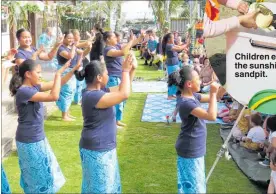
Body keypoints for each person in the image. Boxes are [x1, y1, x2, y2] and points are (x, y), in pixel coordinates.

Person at [9, 57, 82, 193]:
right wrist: (58, 74)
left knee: (46, 175)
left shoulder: (34, 87)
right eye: (38, 72)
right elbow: (53, 96)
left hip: (37, 138)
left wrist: (72, 70)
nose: (41, 75)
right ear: (28, 74)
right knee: (38, 179)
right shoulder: (25, 91)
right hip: (30, 140)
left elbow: (59, 83)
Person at [78, 55, 135, 193]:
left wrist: (131, 70)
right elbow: (124, 94)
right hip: (97, 149)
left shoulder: (98, 92)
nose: (108, 76)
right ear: (99, 77)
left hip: (102, 147)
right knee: (100, 188)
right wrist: (125, 71)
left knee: (105, 186)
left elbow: (122, 88)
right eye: (107, 74)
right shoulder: (93, 96)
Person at [168, 66, 219, 193]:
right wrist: (212, 93)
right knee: (194, 188)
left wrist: (225, 86)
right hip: (190, 148)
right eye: (198, 79)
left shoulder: (192, 96)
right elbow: (211, 116)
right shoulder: (186, 103)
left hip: (191, 146)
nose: (201, 81)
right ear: (189, 84)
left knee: (192, 186)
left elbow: (216, 98)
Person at [103, 31, 144, 127]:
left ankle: (117, 121)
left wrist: (140, 37)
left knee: (121, 100)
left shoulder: (116, 46)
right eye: (114, 37)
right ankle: (112, 122)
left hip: (120, 76)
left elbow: (133, 43)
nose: (116, 39)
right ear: (108, 39)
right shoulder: (108, 49)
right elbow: (123, 52)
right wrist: (131, 41)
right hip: (113, 78)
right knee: (115, 101)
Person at [56, 31, 92, 121]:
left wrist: (89, 48)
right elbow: (70, 56)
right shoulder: (61, 48)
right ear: (63, 38)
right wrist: (75, 46)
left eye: (72, 38)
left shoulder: (71, 47)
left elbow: (83, 54)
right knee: (66, 92)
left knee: (71, 91)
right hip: (64, 71)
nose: (71, 40)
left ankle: (67, 113)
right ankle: (64, 116)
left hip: (72, 71)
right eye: (69, 38)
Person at [162, 33, 188, 100]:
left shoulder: (171, 45)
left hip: (174, 64)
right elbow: (179, 49)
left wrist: (186, 42)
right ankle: (169, 96)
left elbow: (179, 46)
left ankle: (172, 94)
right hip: (172, 65)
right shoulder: (169, 46)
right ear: (169, 39)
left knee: (175, 79)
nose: (174, 39)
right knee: (172, 79)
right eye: (173, 38)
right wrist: (187, 44)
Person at [71, 29, 94, 105]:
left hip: (79, 66)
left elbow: (83, 54)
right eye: (78, 35)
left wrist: (89, 48)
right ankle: (76, 100)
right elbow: (86, 45)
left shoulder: (78, 45)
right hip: (73, 67)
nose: (79, 36)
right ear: (74, 36)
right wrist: (91, 36)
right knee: (77, 85)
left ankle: (78, 99)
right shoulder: (73, 44)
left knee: (80, 84)